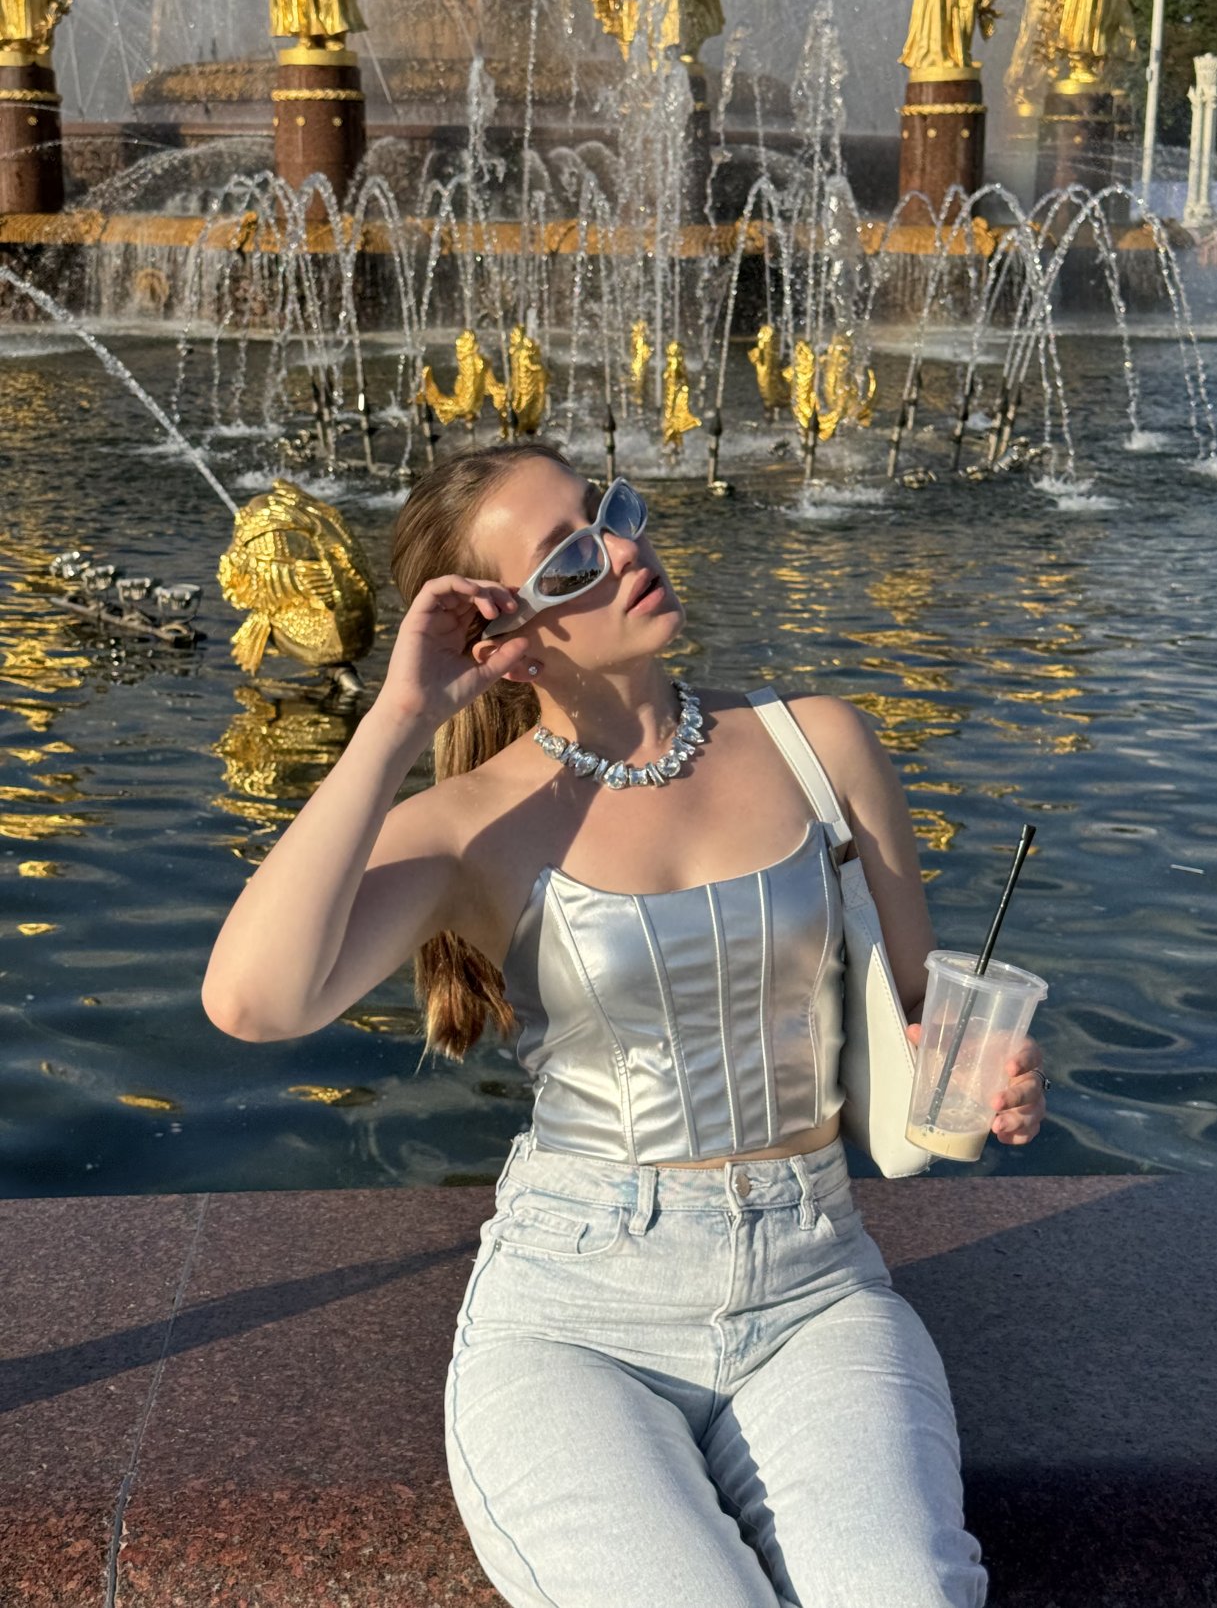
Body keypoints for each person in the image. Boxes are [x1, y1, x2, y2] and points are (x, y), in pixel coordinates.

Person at [202, 438, 1048, 1607]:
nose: (620, 550)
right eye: (568, 560)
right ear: (496, 635)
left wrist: (986, 1069)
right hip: (572, 1315)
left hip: (814, 1287)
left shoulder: (819, 743)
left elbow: (918, 1017)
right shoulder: (468, 824)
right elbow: (251, 998)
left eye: (605, 514)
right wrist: (397, 717)